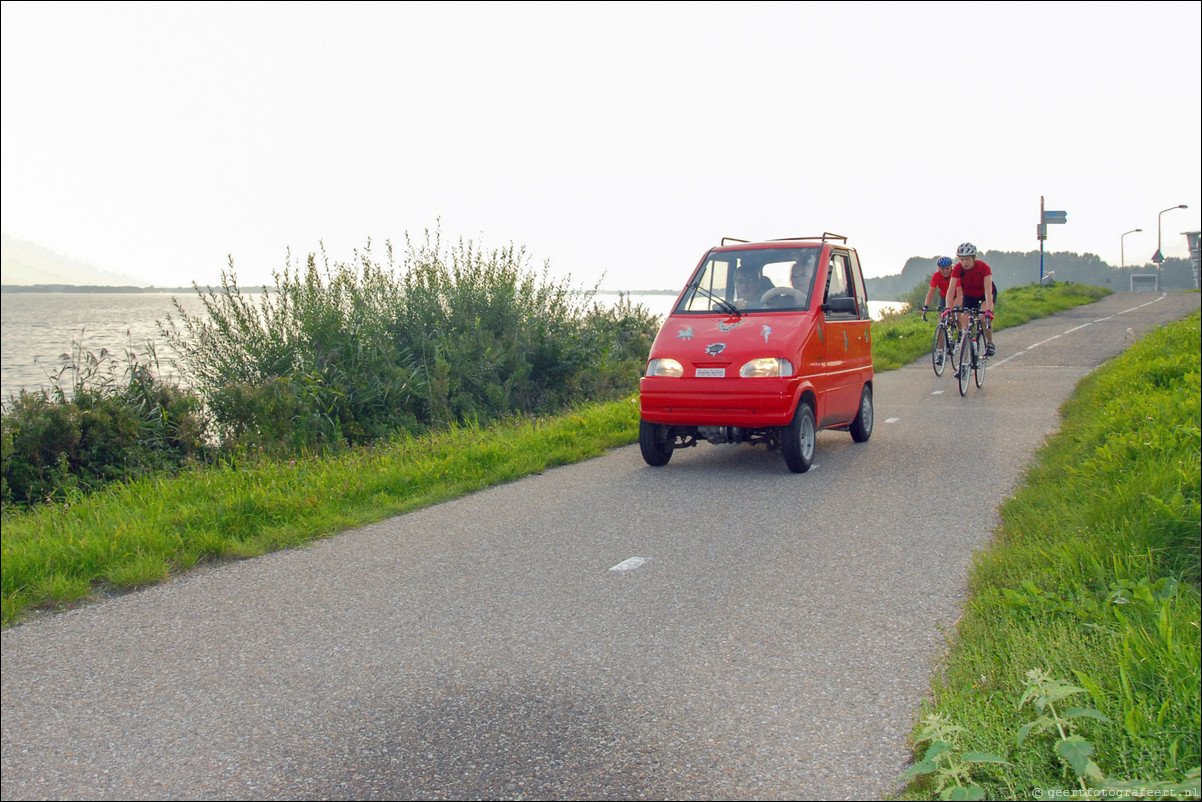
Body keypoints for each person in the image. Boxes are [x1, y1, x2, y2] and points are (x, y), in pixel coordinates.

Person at [945, 242, 996, 357]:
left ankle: (989, 343)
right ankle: (963, 363)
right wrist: (948, 308)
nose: (964, 263)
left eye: (967, 259)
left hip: (984, 295)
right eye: (962, 259)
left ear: (974, 258)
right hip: (969, 296)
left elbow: (988, 291)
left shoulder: (983, 267)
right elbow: (951, 290)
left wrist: (989, 310)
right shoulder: (958, 268)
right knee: (966, 326)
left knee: (983, 318)